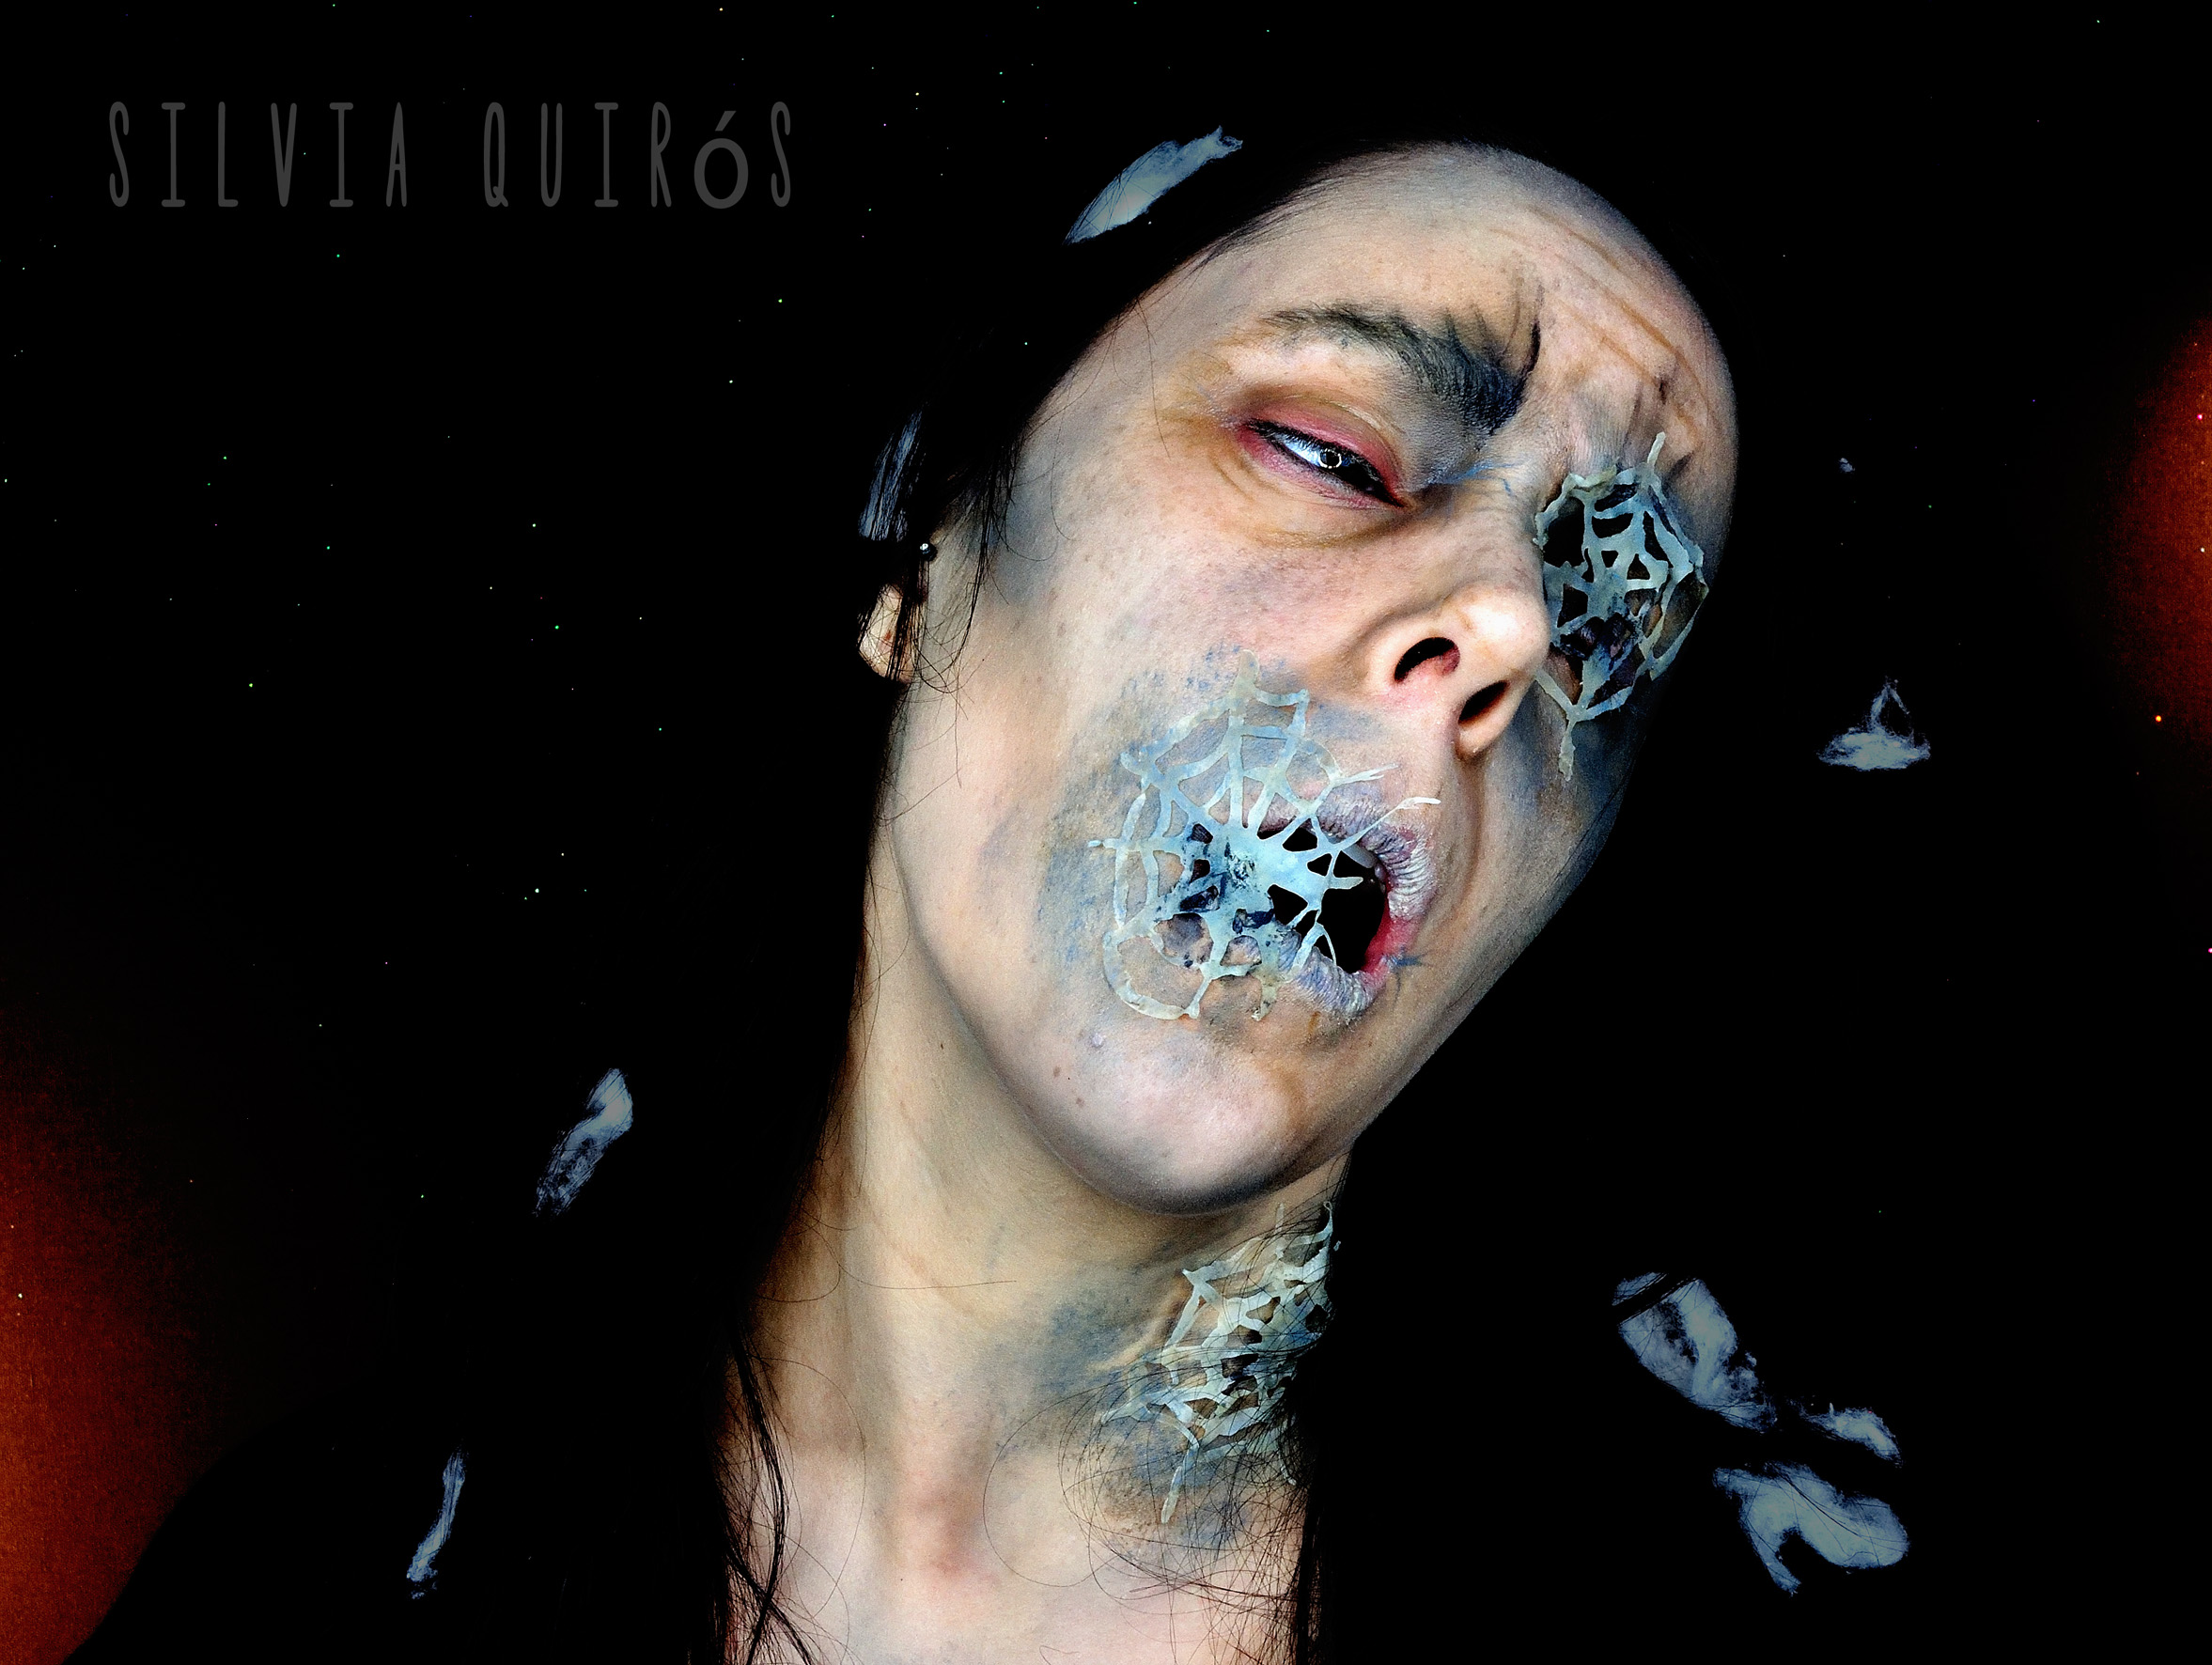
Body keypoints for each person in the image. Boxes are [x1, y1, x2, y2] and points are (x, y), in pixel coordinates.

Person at [78, 121, 1752, 1662]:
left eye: (1612, 619)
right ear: (926, 520)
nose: (1512, 629)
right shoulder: (324, 1593)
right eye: (1332, 453)